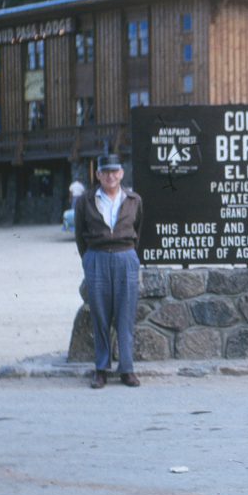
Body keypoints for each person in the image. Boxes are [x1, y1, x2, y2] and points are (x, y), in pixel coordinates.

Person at [74, 154, 144, 389]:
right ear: (98, 175)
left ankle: (127, 369)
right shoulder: (85, 201)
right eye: (106, 172)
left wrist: (130, 256)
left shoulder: (134, 200)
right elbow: (79, 235)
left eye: (115, 172)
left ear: (122, 173)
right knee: (100, 315)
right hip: (97, 258)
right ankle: (101, 369)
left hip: (126, 257)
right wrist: (89, 260)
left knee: (125, 315)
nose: (111, 176)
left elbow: (138, 229)